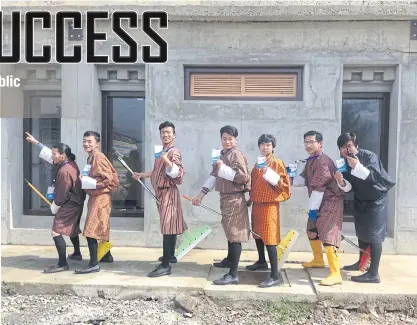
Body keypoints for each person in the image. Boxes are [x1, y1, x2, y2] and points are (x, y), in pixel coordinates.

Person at [192, 125, 251, 285]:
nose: (227, 141)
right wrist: (200, 195)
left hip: (234, 198)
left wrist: (222, 168)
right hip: (225, 197)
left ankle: (233, 274)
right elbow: (214, 176)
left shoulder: (236, 155)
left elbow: (243, 177)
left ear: (236, 140)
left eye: (230, 139)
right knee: (229, 231)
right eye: (224, 138)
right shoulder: (222, 155)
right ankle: (229, 260)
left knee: (234, 234)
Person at [292, 131, 350, 286]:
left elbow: (318, 189)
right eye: (306, 142)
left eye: (311, 142)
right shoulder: (312, 160)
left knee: (328, 234)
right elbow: (301, 180)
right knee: (311, 230)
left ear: (320, 143)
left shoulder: (323, 162)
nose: (308, 145)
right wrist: (287, 176)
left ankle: (335, 273)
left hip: (330, 202)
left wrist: (312, 211)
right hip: (318, 201)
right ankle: (318, 259)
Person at [336, 132, 395, 283]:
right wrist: (341, 182)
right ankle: (361, 263)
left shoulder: (369, 156)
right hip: (360, 199)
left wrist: (358, 166)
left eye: (349, 145)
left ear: (356, 145)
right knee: (362, 232)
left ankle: (373, 273)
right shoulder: (343, 163)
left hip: (376, 200)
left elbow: (375, 177)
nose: (346, 150)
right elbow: (348, 188)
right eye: (342, 147)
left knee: (375, 236)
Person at [25, 132, 86, 273]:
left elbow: (61, 193)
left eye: (54, 154)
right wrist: (36, 142)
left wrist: (55, 206)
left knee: (56, 231)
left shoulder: (65, 171)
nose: (52, 156)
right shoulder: (69, 162)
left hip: (70, 204)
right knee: (73, 229)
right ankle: (77, 253)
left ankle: (62, 263)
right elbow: (48, 155)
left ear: (62, 156)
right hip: (76, 202)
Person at [132, 121, 187, 277]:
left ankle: (165, 266)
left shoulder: (173, 152)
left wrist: (167, 160)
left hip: (168, 192)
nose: (165, 135)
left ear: (174, 135)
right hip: (161, 193)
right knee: (170, 226)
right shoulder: (163, 151)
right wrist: (142, 175)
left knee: (168, 227)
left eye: (168, 132)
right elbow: (157, 172)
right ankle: (170, 256)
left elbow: (178, 173)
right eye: (163, 132)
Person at [246, 134, 291, 287]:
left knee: (270, 238)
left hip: (270, 205)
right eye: (262, 145)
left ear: (273, 147)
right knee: (258, 234)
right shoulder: (257, 164)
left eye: (268, 145)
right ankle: (261, 261)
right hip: (257, 204)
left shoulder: (277, 163)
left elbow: (284, 185)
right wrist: (250, 199)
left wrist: (269, 173)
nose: (265, 147)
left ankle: (275, 275)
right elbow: (255, 184)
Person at [75, 131, 119, 274]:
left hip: (101, 197)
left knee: (91, 230)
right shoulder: (91, 157)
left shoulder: (98, 157)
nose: (86, 144)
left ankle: (93, 263)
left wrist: (90, 183)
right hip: (96, 196)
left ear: (97, 143)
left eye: (89, 141)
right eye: (84, 141)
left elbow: (109, 179)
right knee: (101, 227)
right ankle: (106, 255)